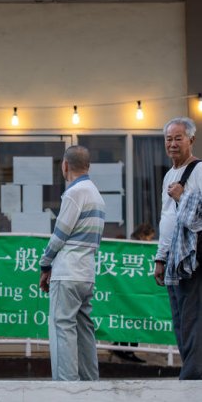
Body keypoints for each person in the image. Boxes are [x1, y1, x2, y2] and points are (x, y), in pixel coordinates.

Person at [39, 145, 105, 381]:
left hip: (67, 272)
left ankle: (66, 388)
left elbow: (59, 234)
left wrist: (45, 264)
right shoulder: (96, 194)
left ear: (65, 165)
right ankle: (90, 386)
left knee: (62, 330)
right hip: (86, 274)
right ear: (88, 166)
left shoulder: (74, 193)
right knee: (84, 331)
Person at [154, 117, 202, 380]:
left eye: (178, 138)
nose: (172, 144)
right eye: (168, 139)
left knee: (192, 316)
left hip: (193, 256)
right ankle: (191, 369)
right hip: (173, 256)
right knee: (180, 317)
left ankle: (193, 374)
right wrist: (160, 257)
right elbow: (166, 218)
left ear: (191, 140)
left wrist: (182, 196)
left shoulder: (199, 171)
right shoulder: (169, 175)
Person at [112, 223, 156, 363]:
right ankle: (121, 348)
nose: (151, 241)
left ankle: (127, 350)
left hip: (135, 290)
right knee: (129, 319)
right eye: (150, 237)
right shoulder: (134, 248)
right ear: (143, 235)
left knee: (134, 320)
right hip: (130, 290)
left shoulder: (140, 248)